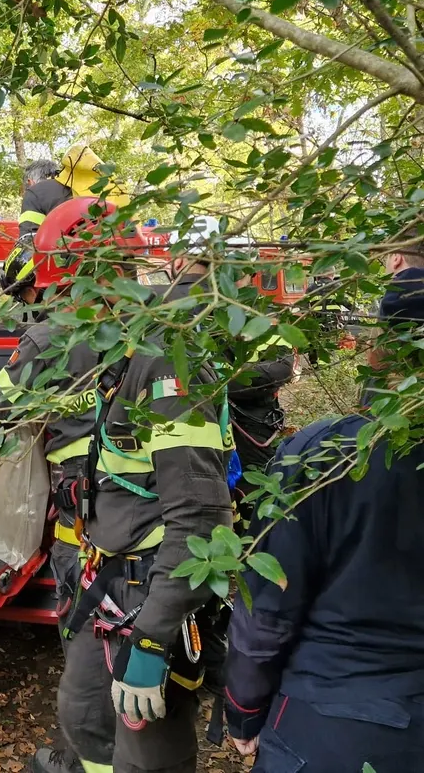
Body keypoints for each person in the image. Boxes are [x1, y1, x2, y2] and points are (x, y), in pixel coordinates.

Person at [56, 208, 233, 773]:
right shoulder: (122, 354)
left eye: (69, 289)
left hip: (152, 588)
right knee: (84, 715)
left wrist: (155, 639)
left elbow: (201, 520)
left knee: (147, 752)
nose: (63, 309)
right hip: (109, 578)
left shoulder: (165, 367)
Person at [223, 274, 424, 772]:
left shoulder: (325, 455)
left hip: (331, 720)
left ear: (386, 346)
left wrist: (243, 709)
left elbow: (268, 606)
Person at [0, 223, 116, 773]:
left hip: (86, 530)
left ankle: (81, 758)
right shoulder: (153, 322)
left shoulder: (46, 340)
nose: (26, 308)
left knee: (85, 647)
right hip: (158, 527)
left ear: (49, 280)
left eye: (28, 296)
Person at [168, 219, 296, 477]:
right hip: (228, 430)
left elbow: (281, 368)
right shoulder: (233, 310)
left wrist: (218, 381)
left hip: (245, 429)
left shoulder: (259, 314)